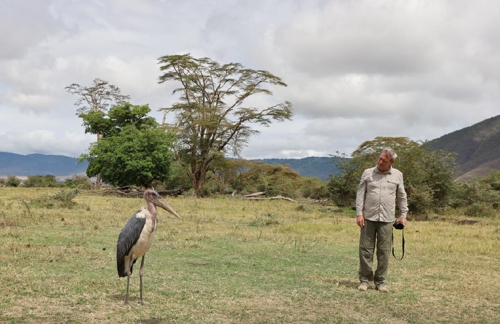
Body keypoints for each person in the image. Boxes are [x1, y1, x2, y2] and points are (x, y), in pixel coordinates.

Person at [355, 147, 408, 293]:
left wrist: (403, 215)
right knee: (365, 250)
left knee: (384, 252)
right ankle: (364, 280)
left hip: (387, 219)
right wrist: (359, 213)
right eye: (379, 158)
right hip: (368, 217)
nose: (380, 161)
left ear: (391, 161)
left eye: (384, 160)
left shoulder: (397, 175)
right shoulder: (368, 173)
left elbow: (402, 196)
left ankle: (381, 282)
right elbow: (360, 194)